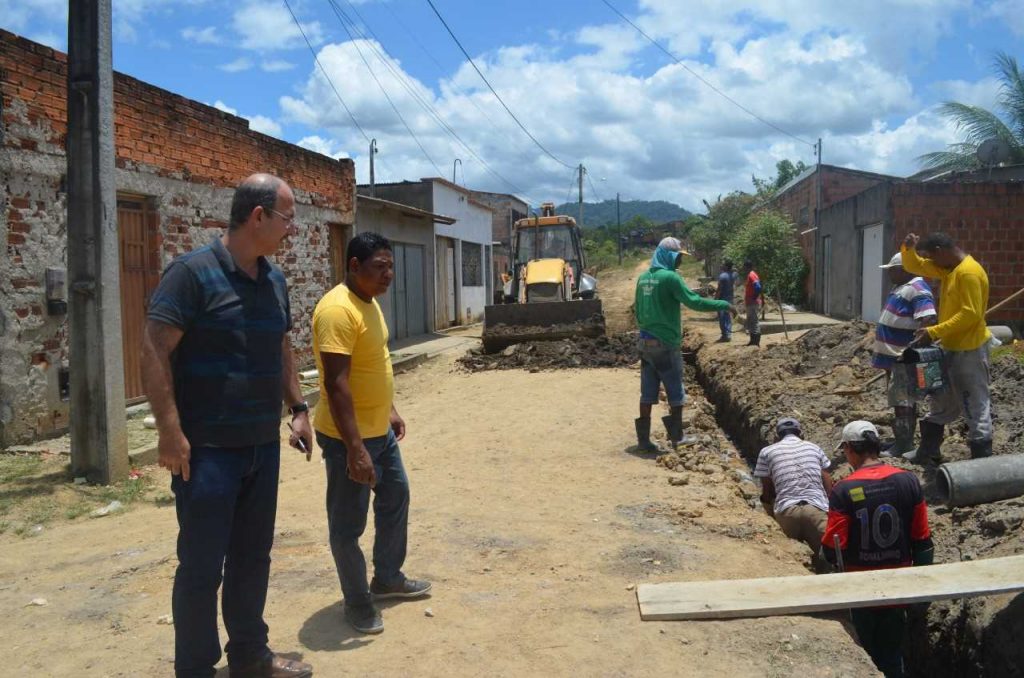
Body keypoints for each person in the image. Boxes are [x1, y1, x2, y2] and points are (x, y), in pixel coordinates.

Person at [142, 174, 314, 678]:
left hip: (261, 446)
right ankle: (196, 668)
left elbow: (280, 346)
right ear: (257, 217)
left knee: (252, 557)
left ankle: (249, 656)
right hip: (209, 452)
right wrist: (169, 432)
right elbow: (154, 351)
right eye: (288, 219)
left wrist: (298, 407)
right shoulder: (191, 274)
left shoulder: (275, 280)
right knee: (201, 567)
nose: (293, 230)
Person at [312, 232, 431, 635]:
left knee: (396, 495)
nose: (389, 275)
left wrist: (391, 409)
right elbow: (337, 384)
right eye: (380, 267)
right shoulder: (336, 311)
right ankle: (358, 601)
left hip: (378, 432)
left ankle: (387, 578)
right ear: (354, 266)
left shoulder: (370, 304)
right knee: (347, 526)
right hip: (349, 439)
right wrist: (355, 449)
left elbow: (375, 363)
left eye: (391, 266)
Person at [822, 421, 934, 678]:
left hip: (861, 588)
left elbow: (832, 546)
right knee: (892, 654)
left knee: (865, 656)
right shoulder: (909, 481)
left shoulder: (844, 490)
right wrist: (924, 588)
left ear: (850, 449)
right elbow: (922, 539)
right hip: (898, 586)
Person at [633, 237, 735, 450]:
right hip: (666, 343)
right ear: (669, 256)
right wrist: (723, 304)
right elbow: (694, 302)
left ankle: (643, 441)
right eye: (678, 257)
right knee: (675, 392)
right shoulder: (671, 278)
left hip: (644, 341)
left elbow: (638, 309)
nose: (680, 261)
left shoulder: (643, 279)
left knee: (647, 393)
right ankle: (677, 438)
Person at [900, 232, 993, 462]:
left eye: (933, 257)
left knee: (974, 405)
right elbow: (916, 266)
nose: (932, 263)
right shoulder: (948, 269)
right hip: (950, 348)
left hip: (969, 351)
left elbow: (970, 315)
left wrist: (934, 331)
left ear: (941, 251)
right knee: (940, 400)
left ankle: (981, 462)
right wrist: (907, 248)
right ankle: (928, 452)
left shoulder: (968, 273)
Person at [872, 253, 937, 455]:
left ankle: (904, 444)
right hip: (895, 358)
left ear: (905, 269)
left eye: (892, 269)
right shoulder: (901, 287)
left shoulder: (918, 289)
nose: (889, 273)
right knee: (901, 400)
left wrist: (912, 350)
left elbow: (928, 319)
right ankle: (902, 440)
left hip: (904, 357)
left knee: (903, 401)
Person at [753, 417, 832, 553]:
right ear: (800, 433)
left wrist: (770, 515)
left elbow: (768, 490)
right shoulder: (813, 447)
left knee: (792, 558)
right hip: (816, 509)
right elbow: (827, 480)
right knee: (828, 557)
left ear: (777, 436)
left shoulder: (766, 452)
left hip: (786, 511)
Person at [742, 260, 763, 346]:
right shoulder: (751, 275)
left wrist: (753, 298)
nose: (743, 269)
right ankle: (752, 340)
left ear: (747, 267)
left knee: (754, 321)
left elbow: (758, 287)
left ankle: (756, 341)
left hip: (752, 303)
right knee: (751, 321)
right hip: (750, 303)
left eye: (744, 267)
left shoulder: (752, 275)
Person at [715, 260, 736, 342]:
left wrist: (715, 299)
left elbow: (719, 289)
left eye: (723, 264)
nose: (721, 265)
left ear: (726, 267)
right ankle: (728, 334)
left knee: (722, 318)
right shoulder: (733, 275)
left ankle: (725, 335)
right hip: (730, 299)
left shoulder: (722, 276)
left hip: (722, 300)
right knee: (727, 317)